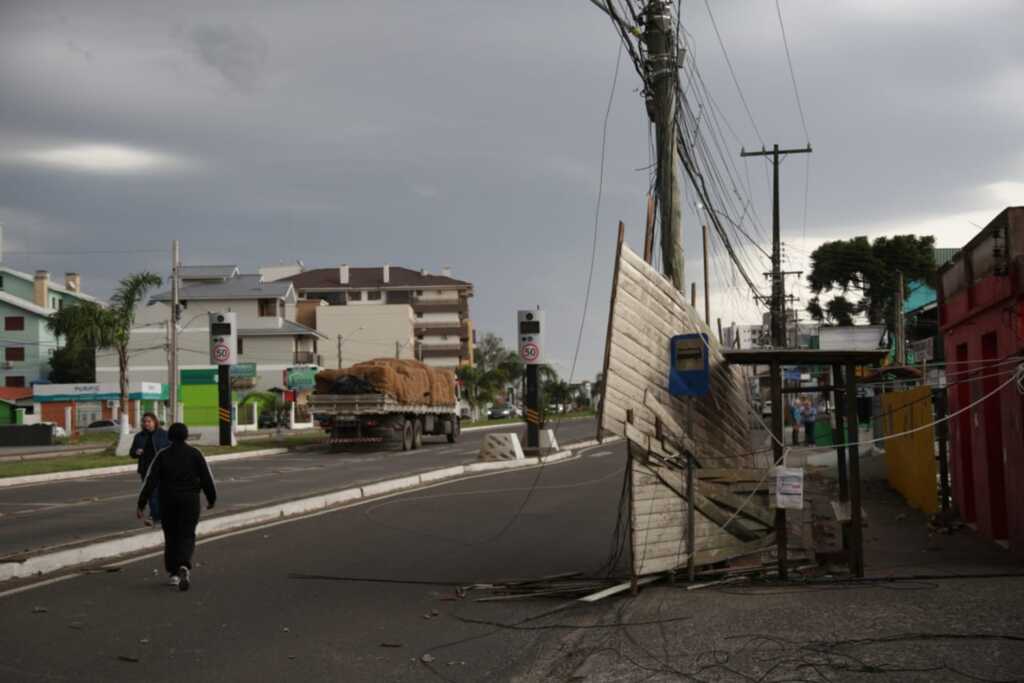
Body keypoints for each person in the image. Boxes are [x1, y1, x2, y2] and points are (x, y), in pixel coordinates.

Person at [137, 423, 217, 591]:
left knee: (171, 536)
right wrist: (211, 499)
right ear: (187, 436)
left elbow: (150, 481)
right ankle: (184, 565)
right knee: (187, 534)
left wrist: (141, 504)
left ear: (169, 437)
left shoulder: (162, 455)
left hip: (168, 501)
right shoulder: (195, 454)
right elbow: (207, 478)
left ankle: (173, 573)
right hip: (190, 500)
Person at [130, 412, 169, 526]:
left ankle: (155, 515)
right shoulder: (139, 436)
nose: (146, 424)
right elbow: (132, 453)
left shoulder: (164, 435)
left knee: (161, 494)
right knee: (151, 493)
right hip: (146, 470)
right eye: (144, 421)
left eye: (149, 421)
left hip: (162, 469)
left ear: (155, 422)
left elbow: (170, 450)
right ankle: (155, 516)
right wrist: (136, 452)